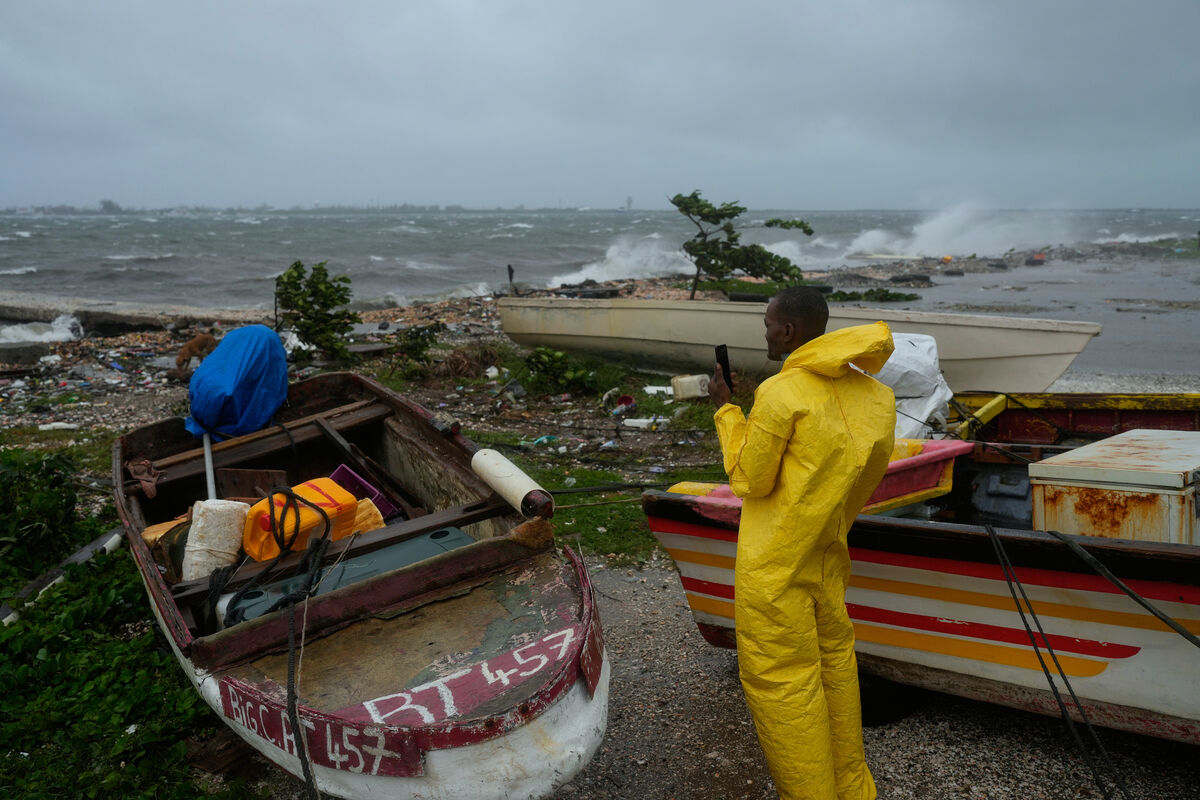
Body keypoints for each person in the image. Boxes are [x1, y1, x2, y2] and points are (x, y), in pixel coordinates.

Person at [708, 286, 896, 800]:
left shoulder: (782, 392)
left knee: (784, 685)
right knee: (836, 667)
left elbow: (750, 480)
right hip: (829, 554)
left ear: (787, 330)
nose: (766, 332)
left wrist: (727, 412)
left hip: (775, 567)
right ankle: (854, 790)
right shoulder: (877, 397)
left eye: (768, 323)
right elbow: (860, 476)